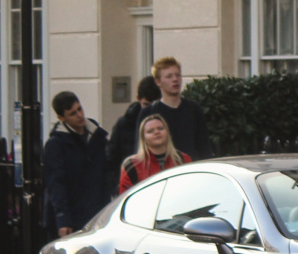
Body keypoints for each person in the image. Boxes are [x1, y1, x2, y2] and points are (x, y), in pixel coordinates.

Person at [42, 91, 113, 239]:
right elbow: (56, 183)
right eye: (73, 113)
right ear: (62, 118)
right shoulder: (56, 145)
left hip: (98, 212)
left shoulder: (97, 137)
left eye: (79, 109)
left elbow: (107, 173)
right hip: (73, 216)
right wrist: (63, 219)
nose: (79, 115)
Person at [139, 56, 214, 160]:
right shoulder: (149, 112)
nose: (175, 79)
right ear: (158, 82)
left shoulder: (193, 109)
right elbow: (140, 148)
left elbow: (204, 146)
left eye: (178, 75)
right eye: (169, 76)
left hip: (190, 168)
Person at [119, 113, 190, 193]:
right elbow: (126, 196)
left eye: (160, 128)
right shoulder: (131, 165)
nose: (156, 132)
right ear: (143, 138)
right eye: (150, 131)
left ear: (167, 132)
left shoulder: (183, 159)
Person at [107, 75, 160, 172]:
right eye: (146, 105)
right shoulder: (124, 124)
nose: (150, 110)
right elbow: (112, 160)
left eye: (154, 105)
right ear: (138, 98)